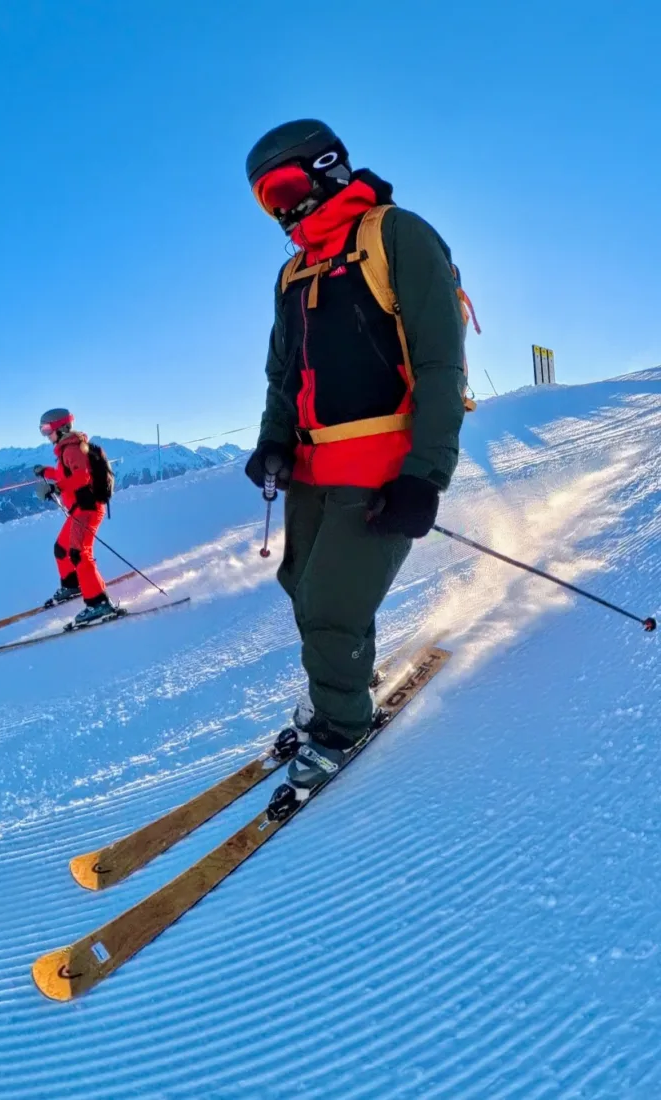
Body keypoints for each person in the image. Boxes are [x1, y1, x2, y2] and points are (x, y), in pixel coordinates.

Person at [243, 119, 469, 818]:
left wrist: (424, 474)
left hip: (382, 459)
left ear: (329, 166)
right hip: (314, 465)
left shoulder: (396, 234)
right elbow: (284, 374)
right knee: (303, 587)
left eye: (283, 187)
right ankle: (342, 684)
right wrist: (274, 441)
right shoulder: (292, 271)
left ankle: (341, 724)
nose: (280, 209)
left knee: (332, 604)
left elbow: (438, 363)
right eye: (264, 200)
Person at [34, 407, 116, 626]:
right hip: (78, 510)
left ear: (60, 427)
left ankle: (98, 603)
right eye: (42, 430)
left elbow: (82, 476)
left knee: (79, 553)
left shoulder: (72, 449)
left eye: (47, 429)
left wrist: (55, 488)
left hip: (87, 509)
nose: (45, 434)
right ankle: (73, 586)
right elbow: (66, 474)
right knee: (61, 549)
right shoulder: (65, 450)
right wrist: (47, 472)